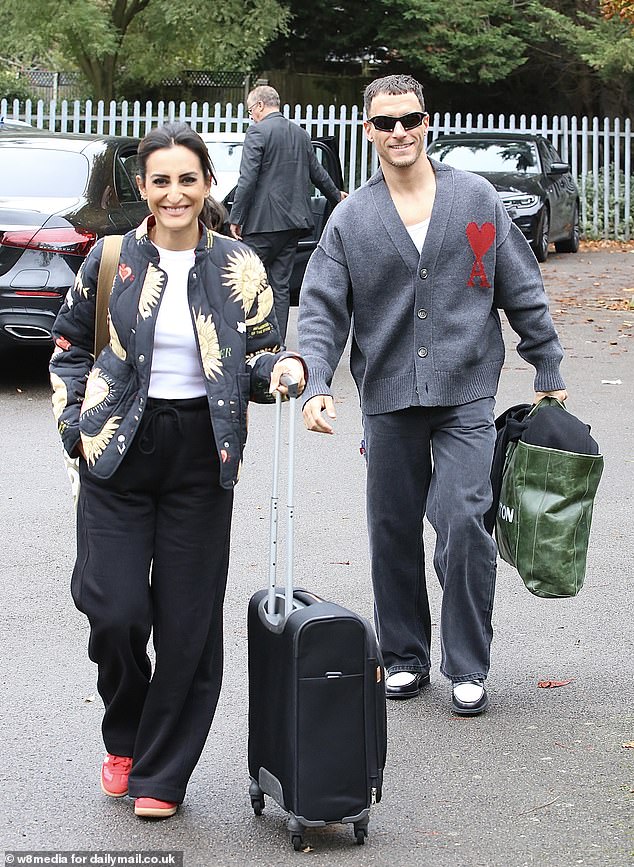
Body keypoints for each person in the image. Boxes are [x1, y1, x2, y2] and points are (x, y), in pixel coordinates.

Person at [50, 122, 306, 818]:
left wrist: (282, 368)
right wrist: (75, 430)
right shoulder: (109, 260)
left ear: (207, 185)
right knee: (115, 609)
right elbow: (70, 345)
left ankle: (161, 772)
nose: (174, 192)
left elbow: (260, 351)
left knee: (188, 623)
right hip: (117, 452)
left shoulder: (239, 264)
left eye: (187, 179)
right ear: (142, 188)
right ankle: (125, 733)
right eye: (160, 180)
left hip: (201, 452)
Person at [297, 75, 567, 715]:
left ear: (426, 123)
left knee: (464, 522)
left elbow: (518, 284)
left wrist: (546, 361)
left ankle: (468, 664)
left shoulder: (475, 199)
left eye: (410, 120)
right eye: (385, 122)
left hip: (465, 389)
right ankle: (404, 657)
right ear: (369, 131)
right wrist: (314, 378)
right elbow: (320, 308)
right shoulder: (352, 218)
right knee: (391, 530)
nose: (399, 132)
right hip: (388, 393)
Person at [229, 84, 347, 340]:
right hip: (293, 224)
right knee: (280, 286)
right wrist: (336, 196)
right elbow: (317, 173)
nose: (251, 116)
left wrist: (235, 218)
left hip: (262, 225)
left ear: (260, 105)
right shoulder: (300, 134)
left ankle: (245, 339)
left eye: (251, 111)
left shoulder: (257, 132)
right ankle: (276, 342)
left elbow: (247, 179)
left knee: (248, 281)